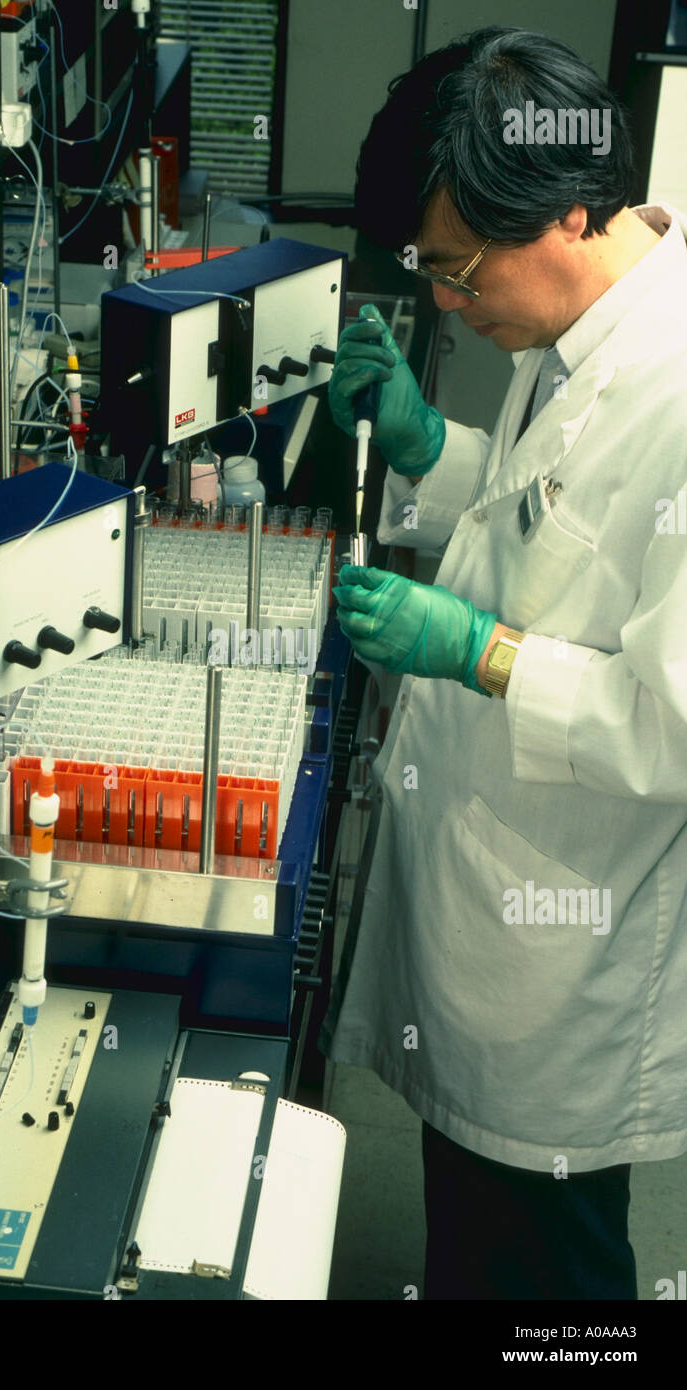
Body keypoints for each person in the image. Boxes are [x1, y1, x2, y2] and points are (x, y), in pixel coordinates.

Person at [323, 25, 687, 1300]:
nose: (443, 304)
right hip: (490, 910)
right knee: (472, 1244)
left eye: (454, 271)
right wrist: (433, 452)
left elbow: (671, 725)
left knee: (549, 1275)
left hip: (571, 959)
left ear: (567, 210)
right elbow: (548, 523)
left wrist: (476, 652)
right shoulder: (579, 324)